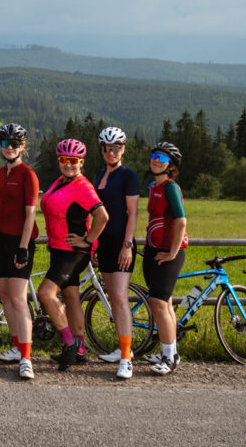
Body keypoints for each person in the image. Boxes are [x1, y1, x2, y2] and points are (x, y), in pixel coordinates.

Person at [37, 138, 109, 371]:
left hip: (73, 252)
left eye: (73, 160)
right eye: (63, 160)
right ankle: (79, 349)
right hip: (59, 249)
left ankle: (68, 345)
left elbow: (102, 216)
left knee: (46, 293)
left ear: (81, 162)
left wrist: (87, 241)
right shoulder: (60, 181)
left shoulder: (83, 186)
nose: (68, 164)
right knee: (70, 297)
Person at [0, 123, 40, 380]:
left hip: (20, 242)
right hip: (1, 241)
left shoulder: (28, 174)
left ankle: (27, 358)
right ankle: (16, 346)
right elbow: (1, 208)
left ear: (23, 146)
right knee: (6, 297)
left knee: (19, 299)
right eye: (5, 143)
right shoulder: (1, 173)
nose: (9, 148)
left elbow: (30, 213)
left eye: (15, 144)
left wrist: (23, 248)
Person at [92, 126, 141, 379]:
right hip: (104, 244)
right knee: (112, 297)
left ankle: (126, 359)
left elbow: (133, 214)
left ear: (123, 149)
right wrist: (93, 243)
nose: (111, 152)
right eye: (107, 148)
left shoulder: (128, 176)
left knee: (121, 299)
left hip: (122, 245)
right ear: (101, 150)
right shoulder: (100, 174)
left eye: (116, 148)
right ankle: (122, 349)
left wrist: (128, 245)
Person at [142, 141, 188, 375]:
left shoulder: (171, 187)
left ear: (171, 165)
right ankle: (170, 351)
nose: (156, 160)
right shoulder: (152, 186)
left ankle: (169, 358)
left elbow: (181, 221)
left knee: (158, 302)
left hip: (168, 252)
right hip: (152, 250)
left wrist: (172, 251)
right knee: (164, 302)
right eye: (154, 155)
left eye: (162, 158)